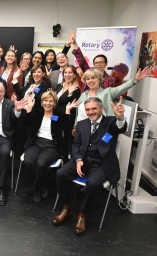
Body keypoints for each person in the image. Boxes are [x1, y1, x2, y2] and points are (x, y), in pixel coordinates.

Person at [52, 97, 127, 235]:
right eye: (88, 109)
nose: (91, 112)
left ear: (101, 109)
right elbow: (75, 145)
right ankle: (66, 207)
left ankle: (82, 214)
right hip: (83, 160)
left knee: (92, 183)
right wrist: (78, 159)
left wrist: (121, 118)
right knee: (61, 173)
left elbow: (120, 128)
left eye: (94, 108)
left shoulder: (111, 122)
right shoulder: (81, 124)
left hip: (101, 164)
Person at [23, 91, 78, 202]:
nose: (48, 103)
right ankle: (38, 186)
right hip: (36, 143)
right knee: (28, 161)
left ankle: (37, 188)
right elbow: (27, 124)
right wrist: (29, 109)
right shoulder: (37, 113)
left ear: (54, 103)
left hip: (52, 145)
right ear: (42, 102)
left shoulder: (58, 115)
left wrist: (68, 111)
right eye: (45, 101)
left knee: (41, 164)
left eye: (50, 101)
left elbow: (67, 129)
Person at [73, 66, 153, 133]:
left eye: (93, 78)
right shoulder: (83, 95)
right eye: (88, 79)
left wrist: (135, 79)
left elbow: (122, 88)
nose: (90, 81)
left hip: (102, 130)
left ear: (99, 79)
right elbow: (78, 113)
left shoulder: (107, 92)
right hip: (83, 131)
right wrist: (75, 127)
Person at [54, 65, 81, 158]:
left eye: (70, 72)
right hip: (54, 115)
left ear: (74, 75)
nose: (67, 75)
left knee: (65, 138)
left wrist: (69, 94)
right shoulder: (59, 86)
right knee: (55, 135)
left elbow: (71, 105)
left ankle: (64, 158)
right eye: (65, 72)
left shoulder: (76, 89)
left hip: (66, 117)